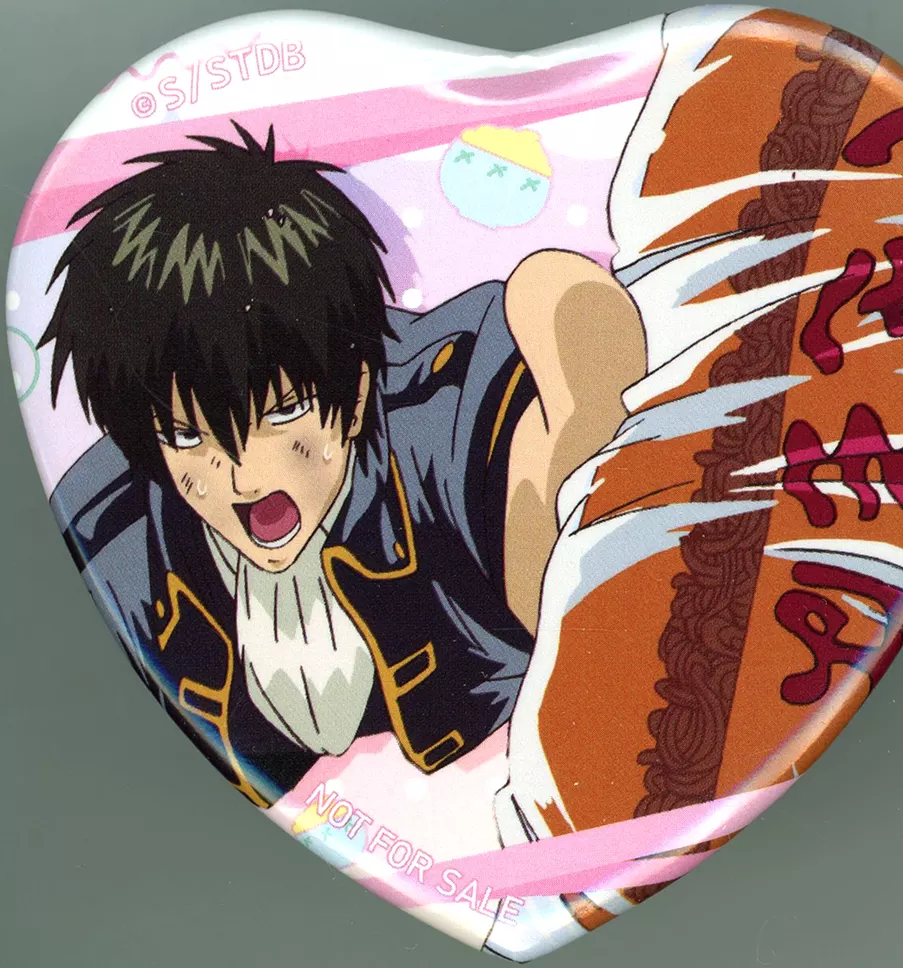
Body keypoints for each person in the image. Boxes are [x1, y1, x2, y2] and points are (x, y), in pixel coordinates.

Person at [44, 122, 646, 807]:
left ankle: (575, 521)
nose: (243, 479)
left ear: (357, 394)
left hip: (503, 746)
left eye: (282, 414)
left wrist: (566, 380)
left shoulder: (433, 424)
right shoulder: (112, 538)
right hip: (289, 821)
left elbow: (504, 355)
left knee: (527, 480)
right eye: (188, 436)